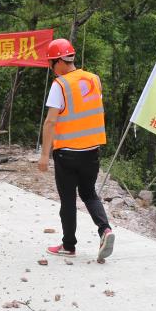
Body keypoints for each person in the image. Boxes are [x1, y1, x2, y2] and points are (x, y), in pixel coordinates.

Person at [37, 38, 115, 262]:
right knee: (89, 193)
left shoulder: (60, 85)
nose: (52, 68)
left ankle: (68, 245)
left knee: (68, 200)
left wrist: (44, 155)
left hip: (67, 153)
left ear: (59, 61)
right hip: (92, 150)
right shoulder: (94, 79)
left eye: (52, 63)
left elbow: (50, 122)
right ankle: (105, 230)